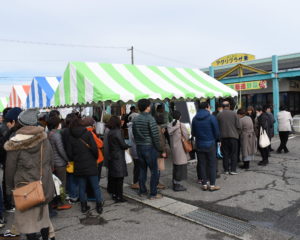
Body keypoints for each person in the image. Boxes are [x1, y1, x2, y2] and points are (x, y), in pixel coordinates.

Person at [4, 109, 55, 240]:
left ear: (20, 123)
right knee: (43, 217)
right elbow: (50, 161)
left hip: (24, 188)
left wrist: (9, 190)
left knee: (28, 222)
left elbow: (10, 169)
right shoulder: (44, 138)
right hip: (43, 185)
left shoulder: (15, 142)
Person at [67, 118, 103, 214]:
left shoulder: (70, 137)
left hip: (79, 164)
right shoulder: (88, 133)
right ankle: (99, 207)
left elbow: (70, 154)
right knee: (96, 186)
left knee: (82, 187)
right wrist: (94, 158)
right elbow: (95, 149)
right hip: (90, 163)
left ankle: (83, 206)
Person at [132, 99, 163, 200]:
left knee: (142, 169)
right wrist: (160, 149)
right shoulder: (150, 119)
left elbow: (134, 133)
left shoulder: (135, 119)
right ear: (147, 107)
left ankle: (142, 191)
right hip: (149, 147)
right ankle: (153, 193)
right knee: (154, 171)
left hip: (139, 146)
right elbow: (155, 136)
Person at [192, 102, 220, 191]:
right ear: (207, 107)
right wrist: (218, 140)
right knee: (212, 164)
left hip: (199, 144)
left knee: (202, 164)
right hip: (210, 143)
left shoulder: (195, 118)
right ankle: (212, 185)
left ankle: (204, 184)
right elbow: (217, 132)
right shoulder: (211, 117)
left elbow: (193, 133)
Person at [47, 116, 72, 210]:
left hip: (52, 162)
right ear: (57, 124)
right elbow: (61, 150)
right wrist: (67, 159)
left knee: (54, 184)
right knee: (61, 184)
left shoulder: (48, 133)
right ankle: (62, 203)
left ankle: (54, 202)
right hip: (60, 163)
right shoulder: (57, 135)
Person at [107, 116, 130, 202]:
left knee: (114, 177)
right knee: (120, 178)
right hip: (118, 156)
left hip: (112, 155)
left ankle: (114, 194)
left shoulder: (110, 132)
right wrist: (128, 145)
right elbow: (122, 145)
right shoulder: (118, 132)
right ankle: (119, 196)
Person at [217, 101, 241, 175]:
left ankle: (226, 170)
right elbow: (239, 126)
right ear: (229, 106)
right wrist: (237, 134)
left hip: (223, 137)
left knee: (225, 154)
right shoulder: (234, 114)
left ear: (222, 106)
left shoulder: (219, 115)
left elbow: (217, 127)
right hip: (233, 137)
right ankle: (233, 169)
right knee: (234, 154)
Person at [168, 111, 189, 191]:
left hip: (173, 148)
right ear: (180, 117)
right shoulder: (181, 125)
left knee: (176, 166)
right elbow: (186, 136)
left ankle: (174, 182)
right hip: (181, 148)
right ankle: (177, 184)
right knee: (180, 167)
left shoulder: (169, 125)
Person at [61, 113, 79, 203]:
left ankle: (71, 194)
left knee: (69, 177)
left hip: (66, 157)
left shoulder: (63, 131)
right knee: (73, 177)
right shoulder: (72, 131)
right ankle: (74, 195)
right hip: (72, 157)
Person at [127, 112, 140, 190]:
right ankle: (136, 182)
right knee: (138, 167)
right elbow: (136, 139)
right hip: (136, 149)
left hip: (134, 148)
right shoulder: (133, 127)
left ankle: (136, 181)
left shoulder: (130, 126)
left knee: (137, 166)